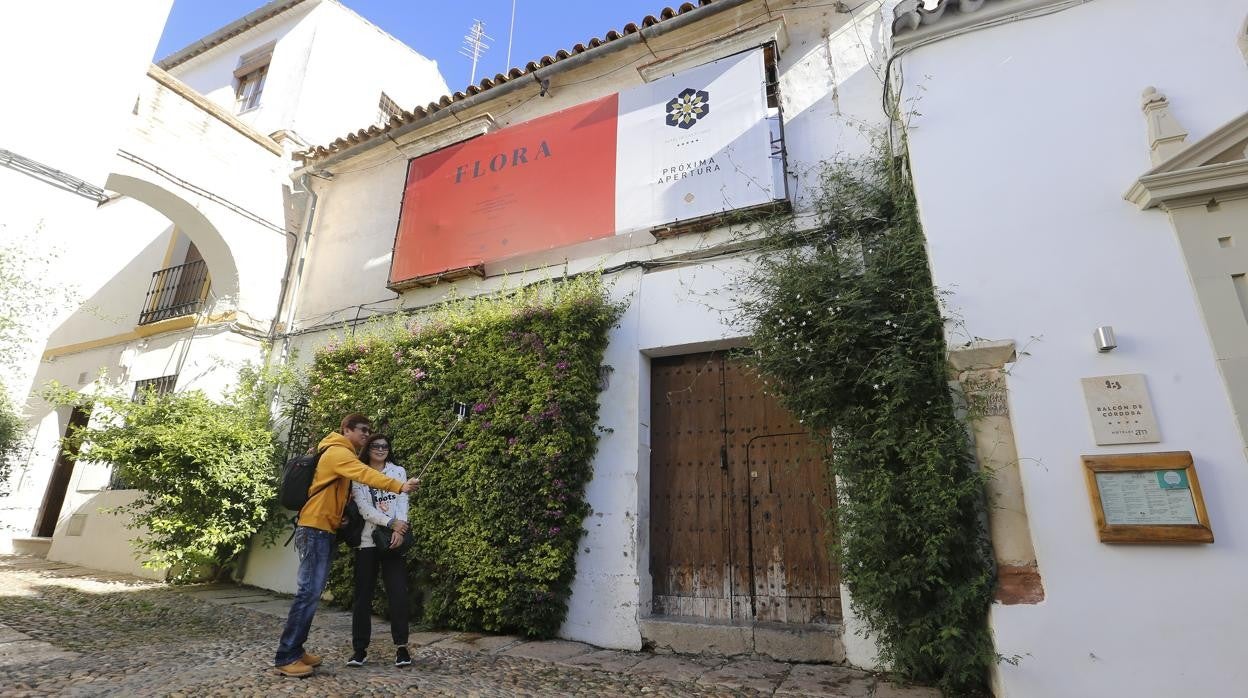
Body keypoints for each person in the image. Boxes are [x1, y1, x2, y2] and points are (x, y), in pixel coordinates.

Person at [273, 413, 420, 678]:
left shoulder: (339, 452)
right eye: (362, 430)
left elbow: (338, 493)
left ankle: (296, 649)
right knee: (308, 592)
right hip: (316, 528)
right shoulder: (339, 452)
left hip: (324, 527)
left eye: (369, 431)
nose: (367, 435)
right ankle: (287, 655)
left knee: (312, 592)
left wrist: (340, 516)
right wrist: (399, 486)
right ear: (347, 429)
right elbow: (364, 475)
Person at [347, 433, 413, 668]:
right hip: (368, 541)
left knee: (398, 594)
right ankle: (359, 650)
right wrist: (390, 523)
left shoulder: (398, 472)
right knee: (363, 596)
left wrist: (400, 529)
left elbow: (403, 501)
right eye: (375, 445)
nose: (380, 449)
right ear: (368, 448)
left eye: (385, 445)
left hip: (394, 540)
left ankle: (402, 648)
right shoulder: (359, 472)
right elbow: (364, 508)